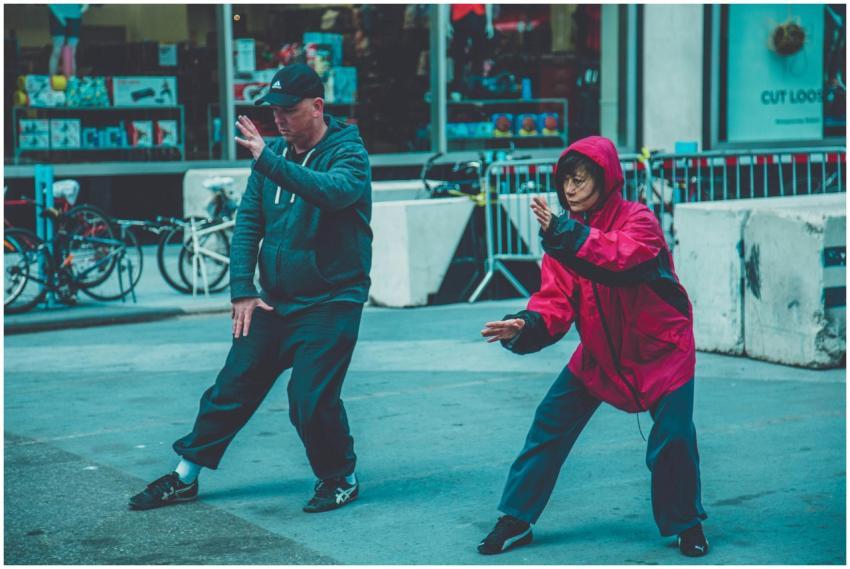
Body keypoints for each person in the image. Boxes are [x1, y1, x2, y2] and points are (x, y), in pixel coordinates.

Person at [129, 64, 373, 514]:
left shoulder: (348, 154)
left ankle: (340, 478)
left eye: (289, 109)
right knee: (232, 386)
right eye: (273, 110)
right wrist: (241, 288)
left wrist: (269, 161)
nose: (278, 119)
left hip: (332, 300)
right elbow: (248, 224)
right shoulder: (273, 155)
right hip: (274, 299)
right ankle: (185, 478)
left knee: (310, 399)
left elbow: (334, 192)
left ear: (317, 107)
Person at [477, 136, 709, 557]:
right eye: (565, 180)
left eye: (580, 179)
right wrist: (522, 325)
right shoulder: (561, 239)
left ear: (606, 180)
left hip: (663, 352)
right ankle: (516, 517)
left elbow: (621, 260)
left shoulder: (638, 220)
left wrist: (564, 232)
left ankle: (686, 524)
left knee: (673, 437)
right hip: (602, 354)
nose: (570, 189)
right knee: (549, 422)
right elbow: (554, 305)